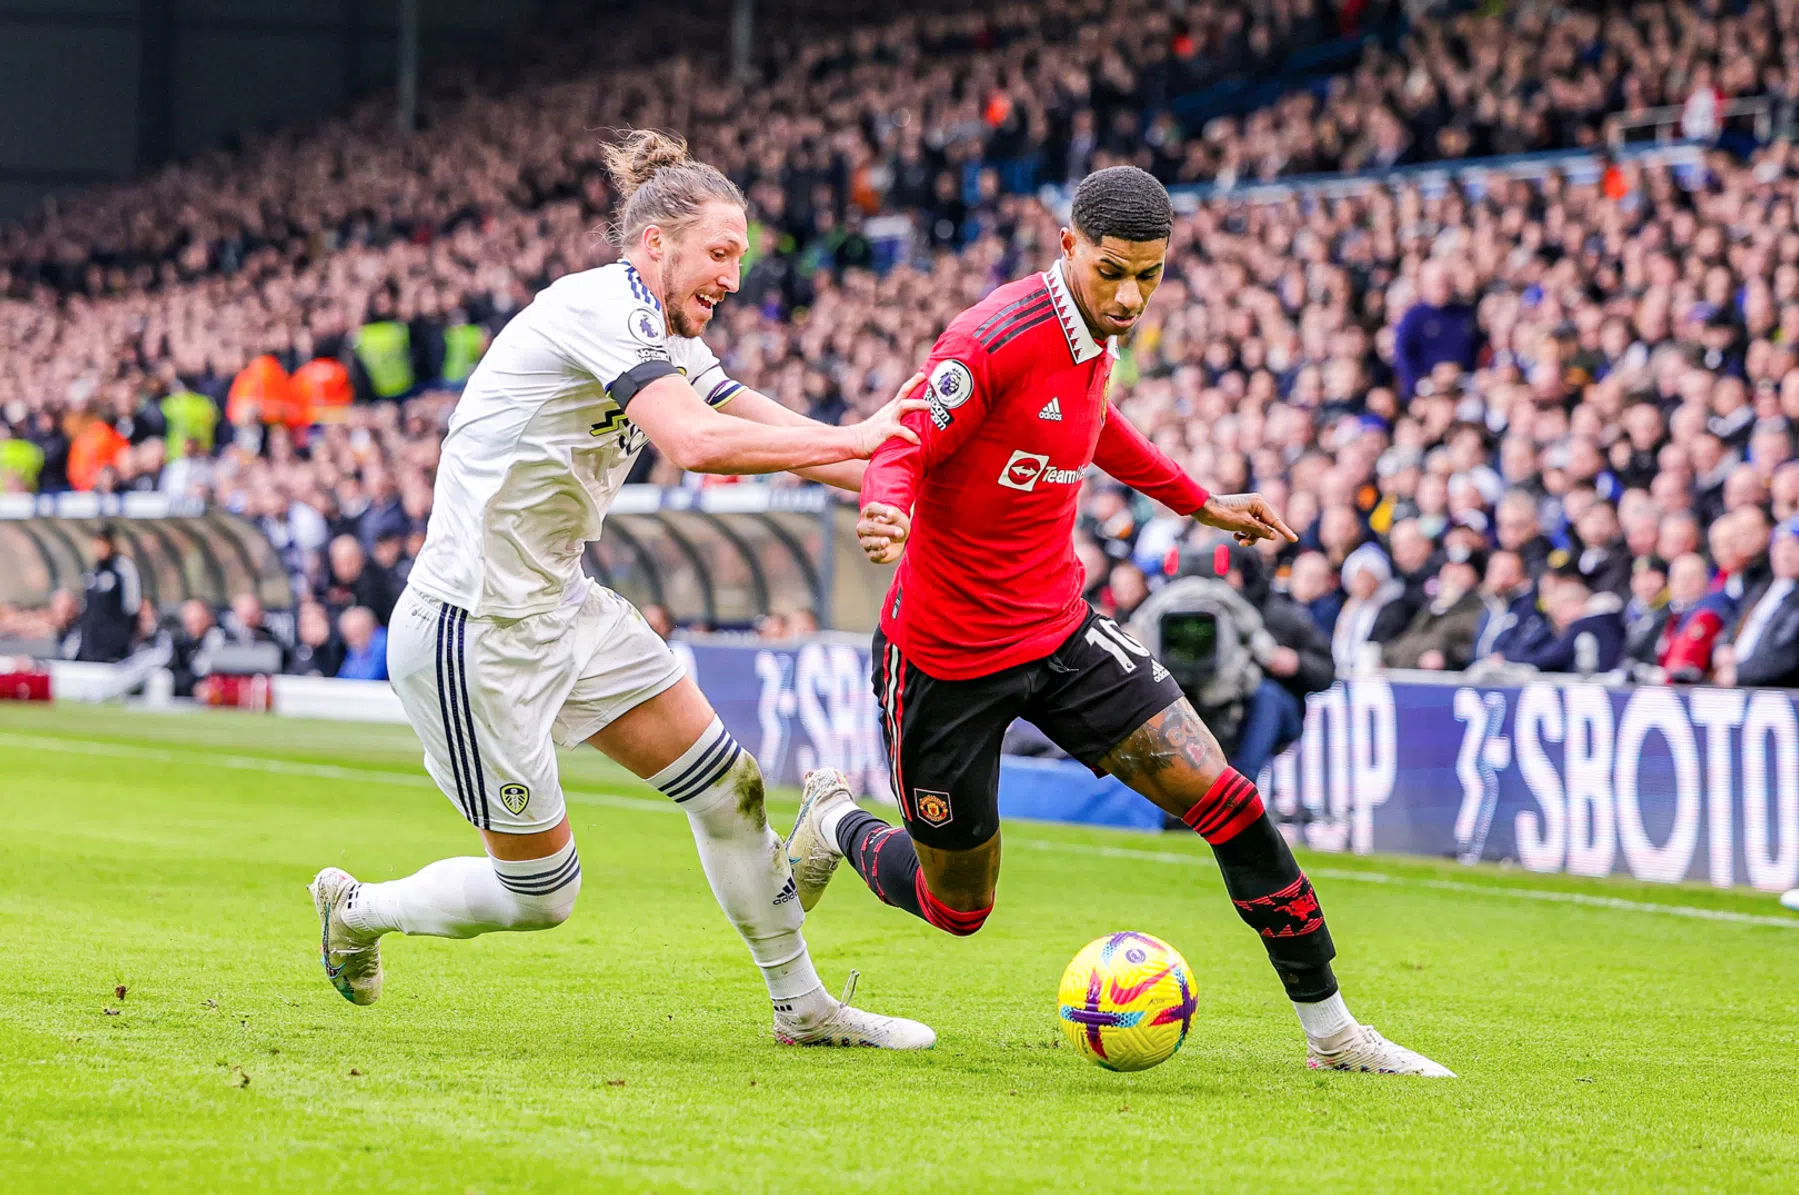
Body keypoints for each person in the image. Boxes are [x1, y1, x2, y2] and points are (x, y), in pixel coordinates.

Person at [787, 166, 1450, 1076]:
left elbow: (1095, 424)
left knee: (1229, 802)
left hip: (1059, 632)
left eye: (1149, 274)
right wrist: (886, 509)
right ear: (1068, 247)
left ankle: (1333, 1034)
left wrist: (1198, 502)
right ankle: (835, 820)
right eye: (1111, 272)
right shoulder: (990, 338)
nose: (1131, 296)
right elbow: (904, 438)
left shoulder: (1095, 339)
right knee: (957, 908)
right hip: (943, 657)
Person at [308, 129, 933, 1050]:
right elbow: (696, 444)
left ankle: (802, 1008)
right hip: (472, 631)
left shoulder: (663, 332)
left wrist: (910, 478)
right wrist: (858, 438)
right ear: (654, 243)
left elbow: (762, 423)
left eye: (740, 257)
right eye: (719, 253)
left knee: (729, 786)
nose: (732, 277)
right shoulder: (597, 305)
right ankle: (358, 909)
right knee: (541, 895)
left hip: (563, 607)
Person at [1714, 518, 1799, 688]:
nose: (1785, 555)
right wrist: (1723, 646)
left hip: (1772, 689)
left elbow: (1788, 654)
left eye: (1793, 548)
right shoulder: (1761, 587)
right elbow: (1735, 623)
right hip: (1735, 681)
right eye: (1780, 548)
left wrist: (1740, 672)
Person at [74, 525, 141, 663]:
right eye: (97, 543)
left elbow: (132, 606)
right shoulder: (94, 570)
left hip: (114, 645)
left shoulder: (123, 567)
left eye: (103, 542)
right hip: (92, 645)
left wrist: (124, 639)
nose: (100, 547)